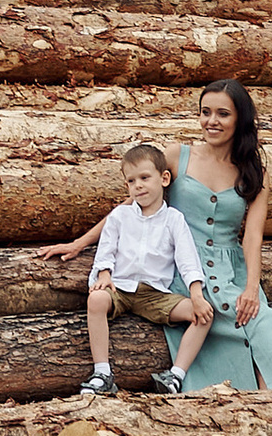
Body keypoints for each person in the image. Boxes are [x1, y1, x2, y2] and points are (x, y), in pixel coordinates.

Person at [37, 139, 216, 399]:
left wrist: (197, 295)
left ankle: (175, 375)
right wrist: (104, 275)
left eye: (144, 177)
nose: (138, 186)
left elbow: (188, 260)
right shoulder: (120, 216)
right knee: (97, 299)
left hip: (155, 294)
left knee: (205, 315)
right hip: (119, 287)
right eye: (131, 181)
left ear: (164, 178)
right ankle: (102, 373)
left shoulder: (174, 220)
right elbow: (106, 250)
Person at [167, 80, 272, 392]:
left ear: (239, 119)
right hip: (185, 267)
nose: (211, 121)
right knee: (221, 315)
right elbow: (133, 206)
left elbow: (253, 237)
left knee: (260, 316)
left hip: (231, 267)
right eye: (205, 112)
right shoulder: (178, 156)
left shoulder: (253, 171)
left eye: (222, 114)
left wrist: (252, 289)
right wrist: (80, 243)